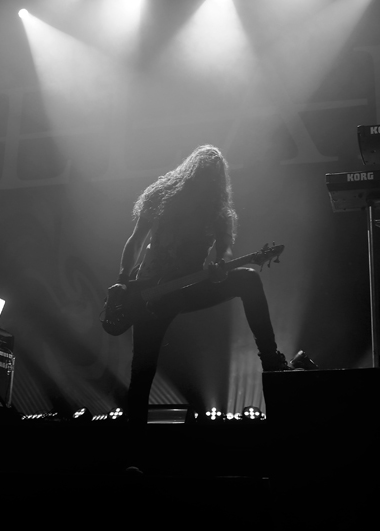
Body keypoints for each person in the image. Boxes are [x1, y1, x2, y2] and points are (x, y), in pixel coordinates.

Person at [112, 145, 305, 425]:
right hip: (151, 293)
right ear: (191, 172)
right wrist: (122, 281)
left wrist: (219, 268)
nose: (208, 181)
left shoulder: (219, 212)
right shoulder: (160, 196)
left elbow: (224, 251)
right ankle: (134, 444)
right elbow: (136, 240)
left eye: (214, 177)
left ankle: (270, 358)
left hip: (189, 288)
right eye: (203, 174)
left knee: (248, 279)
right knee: (142, 371)